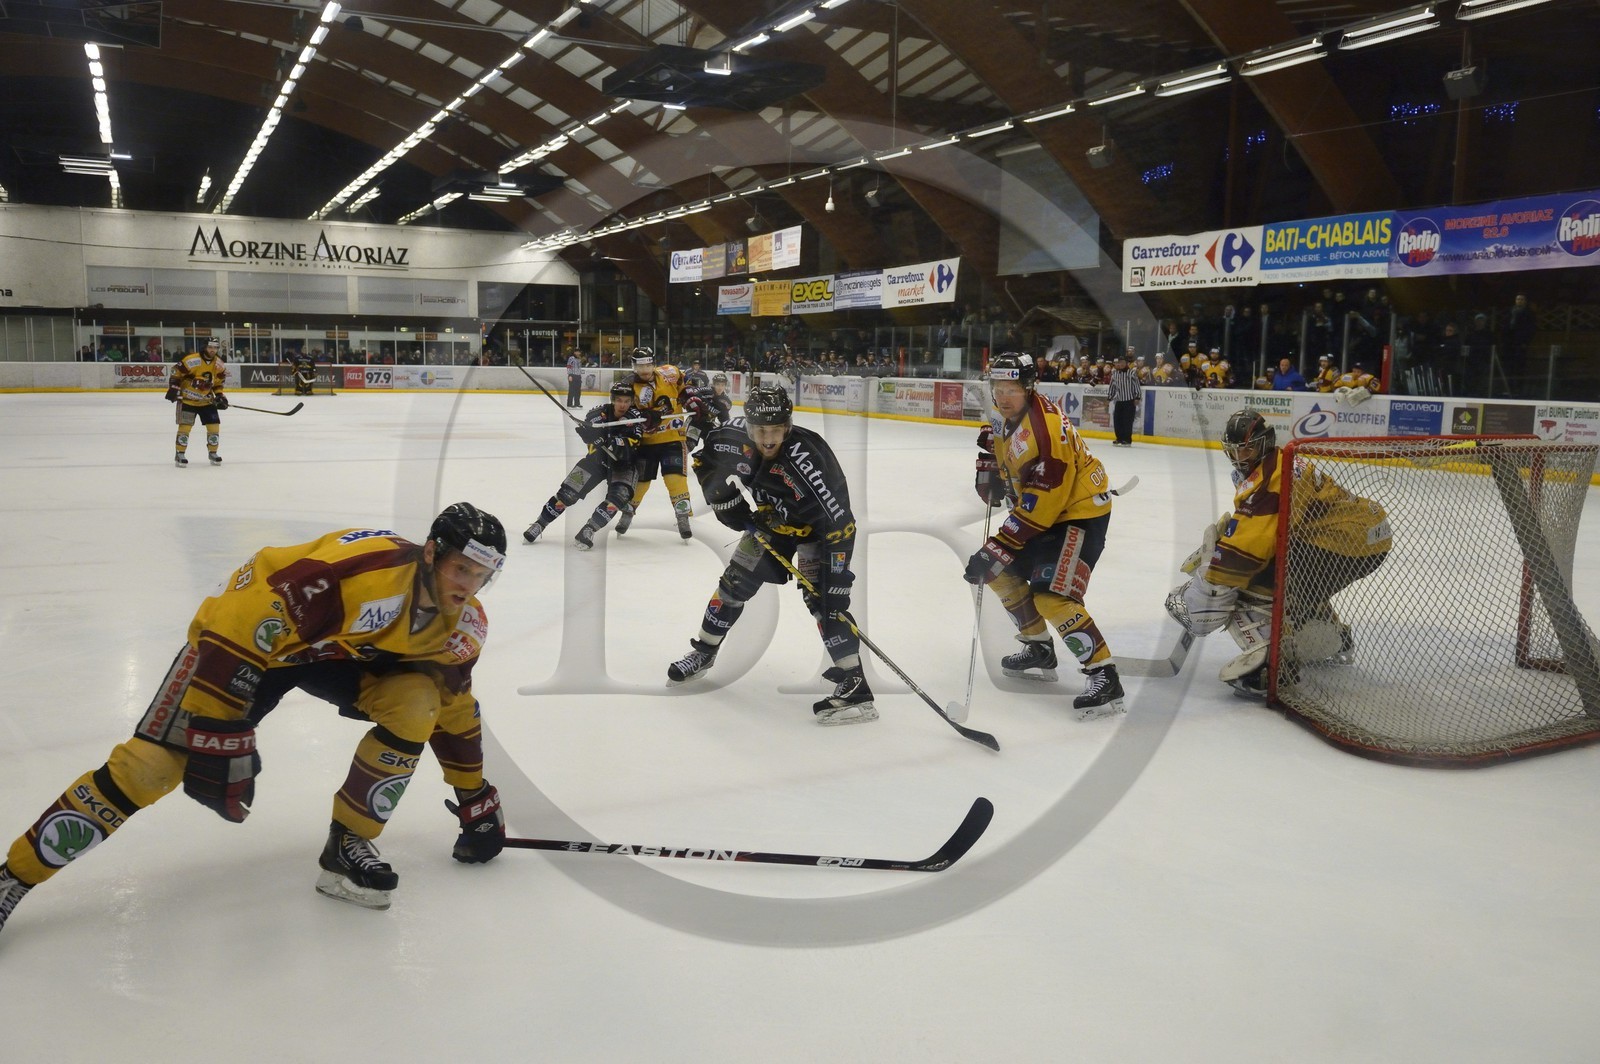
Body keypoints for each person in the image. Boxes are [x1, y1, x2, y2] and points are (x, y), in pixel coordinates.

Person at [0, 504, 511, 934]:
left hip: (327, 658)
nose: (469, 585)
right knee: (150, 769)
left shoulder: (460, 625)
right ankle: (13, 876)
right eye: (461, 568)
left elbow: (454, 707)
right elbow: (242, 616)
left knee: (419, 701)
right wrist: (221, 728)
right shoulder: (359, 574)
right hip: (244, 648)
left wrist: (475, 795)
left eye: (482, 574)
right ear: (430, 552)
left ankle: (348, 842)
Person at [664, 386, 876, 726]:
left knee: (824, 603)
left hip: (821, 534)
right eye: (761, 430)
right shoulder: (731, 436)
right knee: (733, 584)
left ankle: (856, 683)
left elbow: (838, 523)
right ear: (748, 425)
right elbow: (705, 460)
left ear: (788, 425)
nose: (768, 439)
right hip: (771, 523)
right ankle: (704, 652)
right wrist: (727, 504)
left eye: (777, 430)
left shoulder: (807, 461)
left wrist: (834, 580)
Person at [1164, 410, 1391, 698]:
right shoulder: (1275, 463)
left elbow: (1248, 550)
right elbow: (1263, 525)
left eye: (1247, 447)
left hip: (1345, 541)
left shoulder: (1272, 478)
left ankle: (1272, 668)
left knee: (1253, 588)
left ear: (1264, 443)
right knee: (1294, 585)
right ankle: (1333, 635)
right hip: (1363, 535)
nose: (1239, 455)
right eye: (1233, 449)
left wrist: (1209, 583)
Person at [966, 352, 1124, 720]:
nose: (1004, 396)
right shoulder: (1010, 413)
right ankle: (1038, 647)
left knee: (1052, 596)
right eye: (998, 388)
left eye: (1013, 389)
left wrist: (999, 545)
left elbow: (1042, 506)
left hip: (1078, 514)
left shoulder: (1045, 432)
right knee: (1000, 572)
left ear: (1029, 387)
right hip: (1048, 513)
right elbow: (1004, 439)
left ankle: (1104, 673)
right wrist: (992, 458)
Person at [523, 380, 643, 549]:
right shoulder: (598, 414)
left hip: (624, 465)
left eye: (626, 401)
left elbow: (631, 445)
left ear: (631, 401)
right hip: (596, 461)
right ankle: (539, 524)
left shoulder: (636, 418)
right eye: (619, 400)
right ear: (612, 399)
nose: (622, 405)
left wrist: (608, 440)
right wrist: (591, 436)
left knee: (617, 499)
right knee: (567, 493)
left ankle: (589, 529)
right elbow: (592, 443)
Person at [616, 347, 694, 541]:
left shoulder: (670, 373)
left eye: (648, 364)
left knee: (676, 479)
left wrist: (692, 399)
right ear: (633, 366)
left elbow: (685, 387)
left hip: (673, 437)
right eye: (640, 365)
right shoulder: (627, 386)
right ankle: (628, 512)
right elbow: (621, 412)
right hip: (645, 442)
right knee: (640, 482)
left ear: (654, 363)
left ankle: (682, 516)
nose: (645, 369)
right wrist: (639, 416)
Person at [166, 336, 229, 467]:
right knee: (185, 428)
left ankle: (213, 452)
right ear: (204, 347)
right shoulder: (192, 360)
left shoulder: (219, 364)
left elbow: (218, 383)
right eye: (210, 347)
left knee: (214, 427)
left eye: (215, 348)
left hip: (206, 401)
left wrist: (219, 396)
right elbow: (176, 372)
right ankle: (180, 453)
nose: (213, 350)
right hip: (188, 400)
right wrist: (174, 387)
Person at [1108, 348, 1140, 447]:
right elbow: (1112, 386)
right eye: (1119, 363)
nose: (1120, 364)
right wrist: (1109, 398)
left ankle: (1127, 439)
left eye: (1122, 362)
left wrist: (1137, 397)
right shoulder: (1115, 373)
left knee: (1127, 420)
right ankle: (1119, 438)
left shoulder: (1131, 373)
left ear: (1126, 363)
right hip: (1119, 400)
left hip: (1129, 400)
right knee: (1117, 420)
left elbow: (1136, 385)